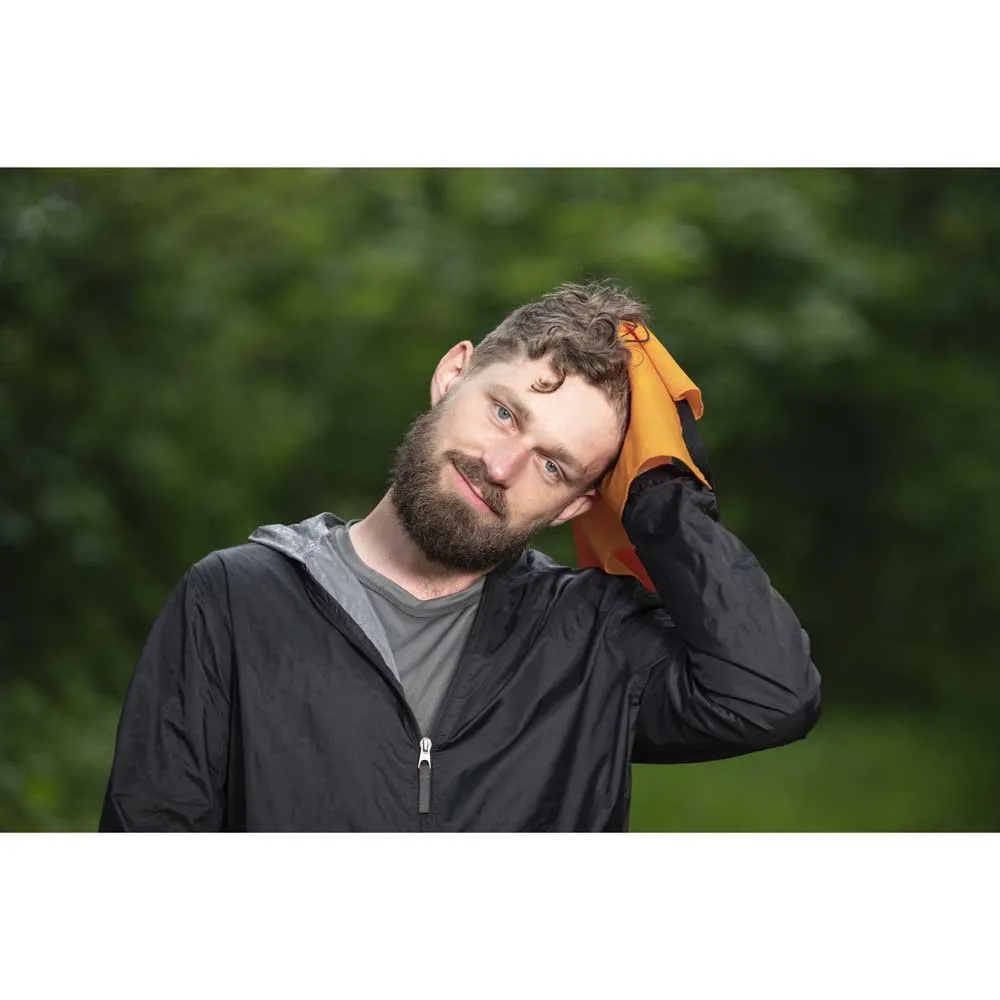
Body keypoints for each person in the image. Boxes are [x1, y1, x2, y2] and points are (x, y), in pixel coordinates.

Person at [99, 281, 821, 832]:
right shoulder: (235, 600)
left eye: (553, 466)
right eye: (505, 412)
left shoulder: (593, 641)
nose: (501, 466)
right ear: (453, 375)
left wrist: (661, 488)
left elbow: (768, 696)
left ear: (575, 506)